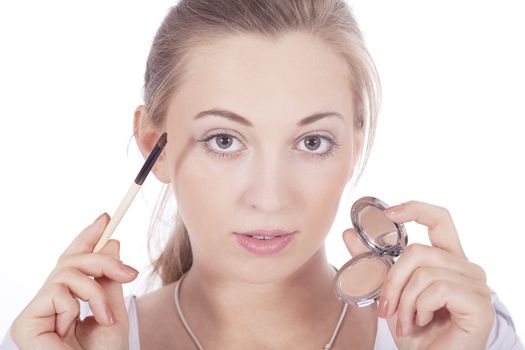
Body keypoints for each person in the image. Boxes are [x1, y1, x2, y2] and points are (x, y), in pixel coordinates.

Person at [2, 0, 523, 349]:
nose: (269, 198)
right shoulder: (61, 342)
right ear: (153, 148)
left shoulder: (459, 334)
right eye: (224, 141)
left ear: (356, 144)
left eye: (312, 142)